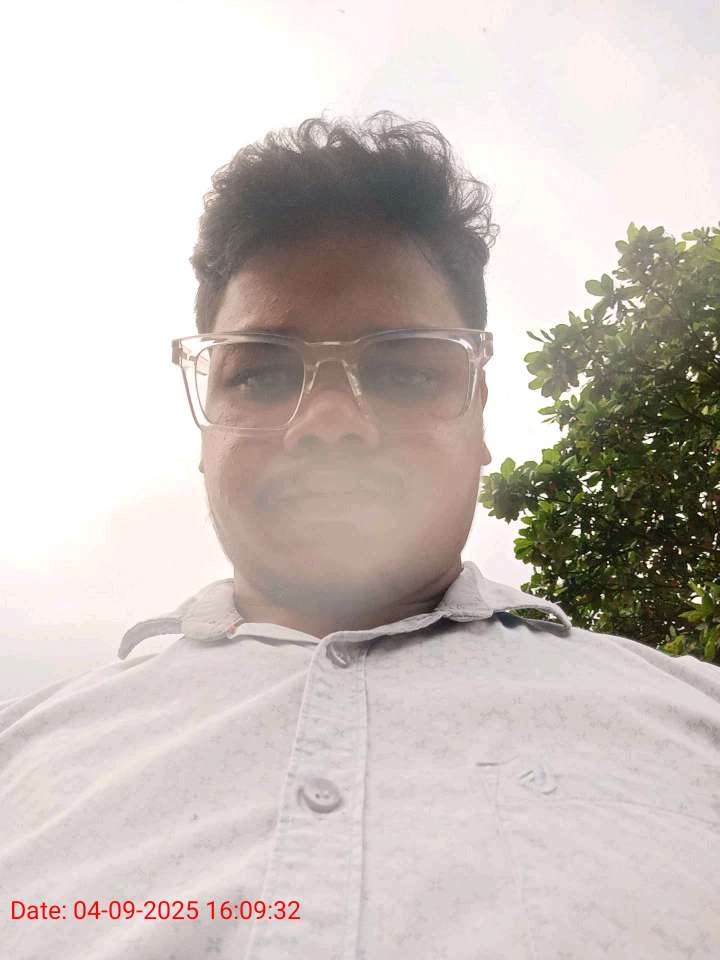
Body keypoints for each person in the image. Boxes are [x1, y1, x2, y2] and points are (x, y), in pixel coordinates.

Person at [1, 111, 719, 960]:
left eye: (404, 369)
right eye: (261, 375)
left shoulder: (699, 719)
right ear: (207, 427)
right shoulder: (20, 756)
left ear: (481, 416)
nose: (330, 422)